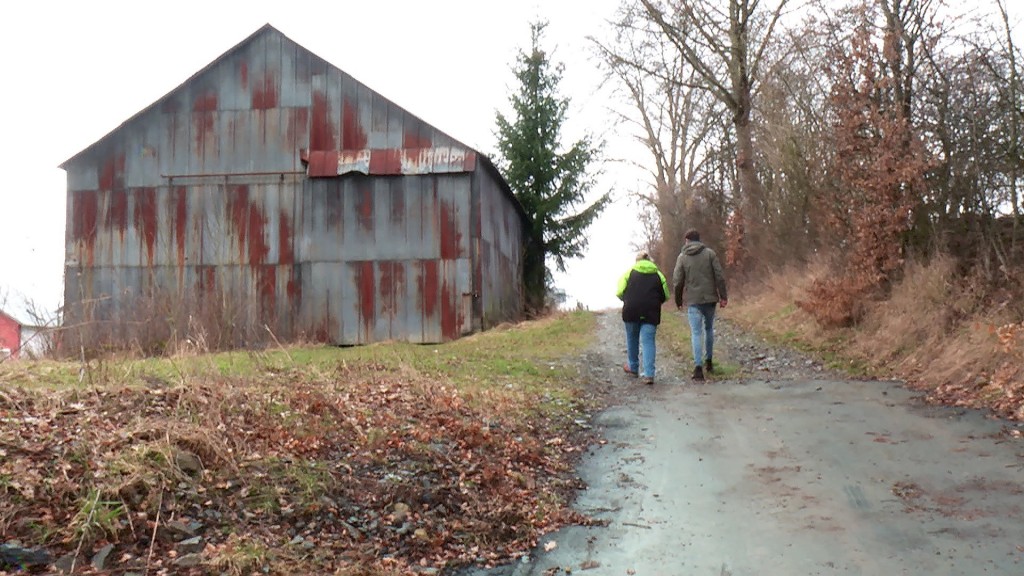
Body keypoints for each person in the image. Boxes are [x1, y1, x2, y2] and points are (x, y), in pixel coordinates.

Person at [672, 229, 728, 381]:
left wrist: (678, 300)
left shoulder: (682, 257)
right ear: (699, 239)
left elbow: (677, 282)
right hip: (710, 299)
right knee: (709, 329)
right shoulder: (710, 254)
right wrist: (723, 296)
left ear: (687, 240)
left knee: (696, 333)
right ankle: (709, 361)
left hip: (693, 300)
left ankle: (698, 367)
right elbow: (719, 276)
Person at [616, 252, 671, 385]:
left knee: (632, 337)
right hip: (651, 311)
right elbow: (666, 295)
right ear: (650, 260)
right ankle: (649, 374)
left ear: (637, 261)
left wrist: (627, 299)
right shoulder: (658, 274)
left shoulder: (629, 272)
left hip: (631, 310)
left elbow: (619, 291)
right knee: (648, 341)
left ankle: (633, 367)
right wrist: (656, 302)